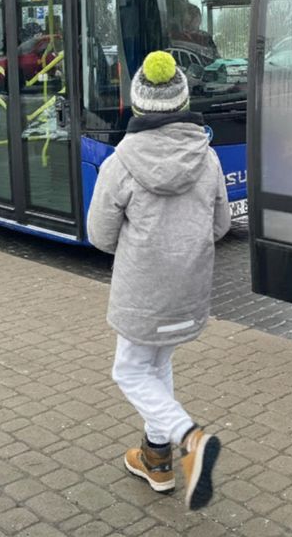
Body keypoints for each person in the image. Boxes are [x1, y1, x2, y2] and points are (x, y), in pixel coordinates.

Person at [87, 50, 231, 510]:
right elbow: (221, 226)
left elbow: (99, 236)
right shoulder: (208, 158)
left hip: (142, 295)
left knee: (129, 370)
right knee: (157, 364)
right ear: (183, 101)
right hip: (189, 291)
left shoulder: (120, 163)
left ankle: (189, 439)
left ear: (138, 105)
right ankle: (156, 459)